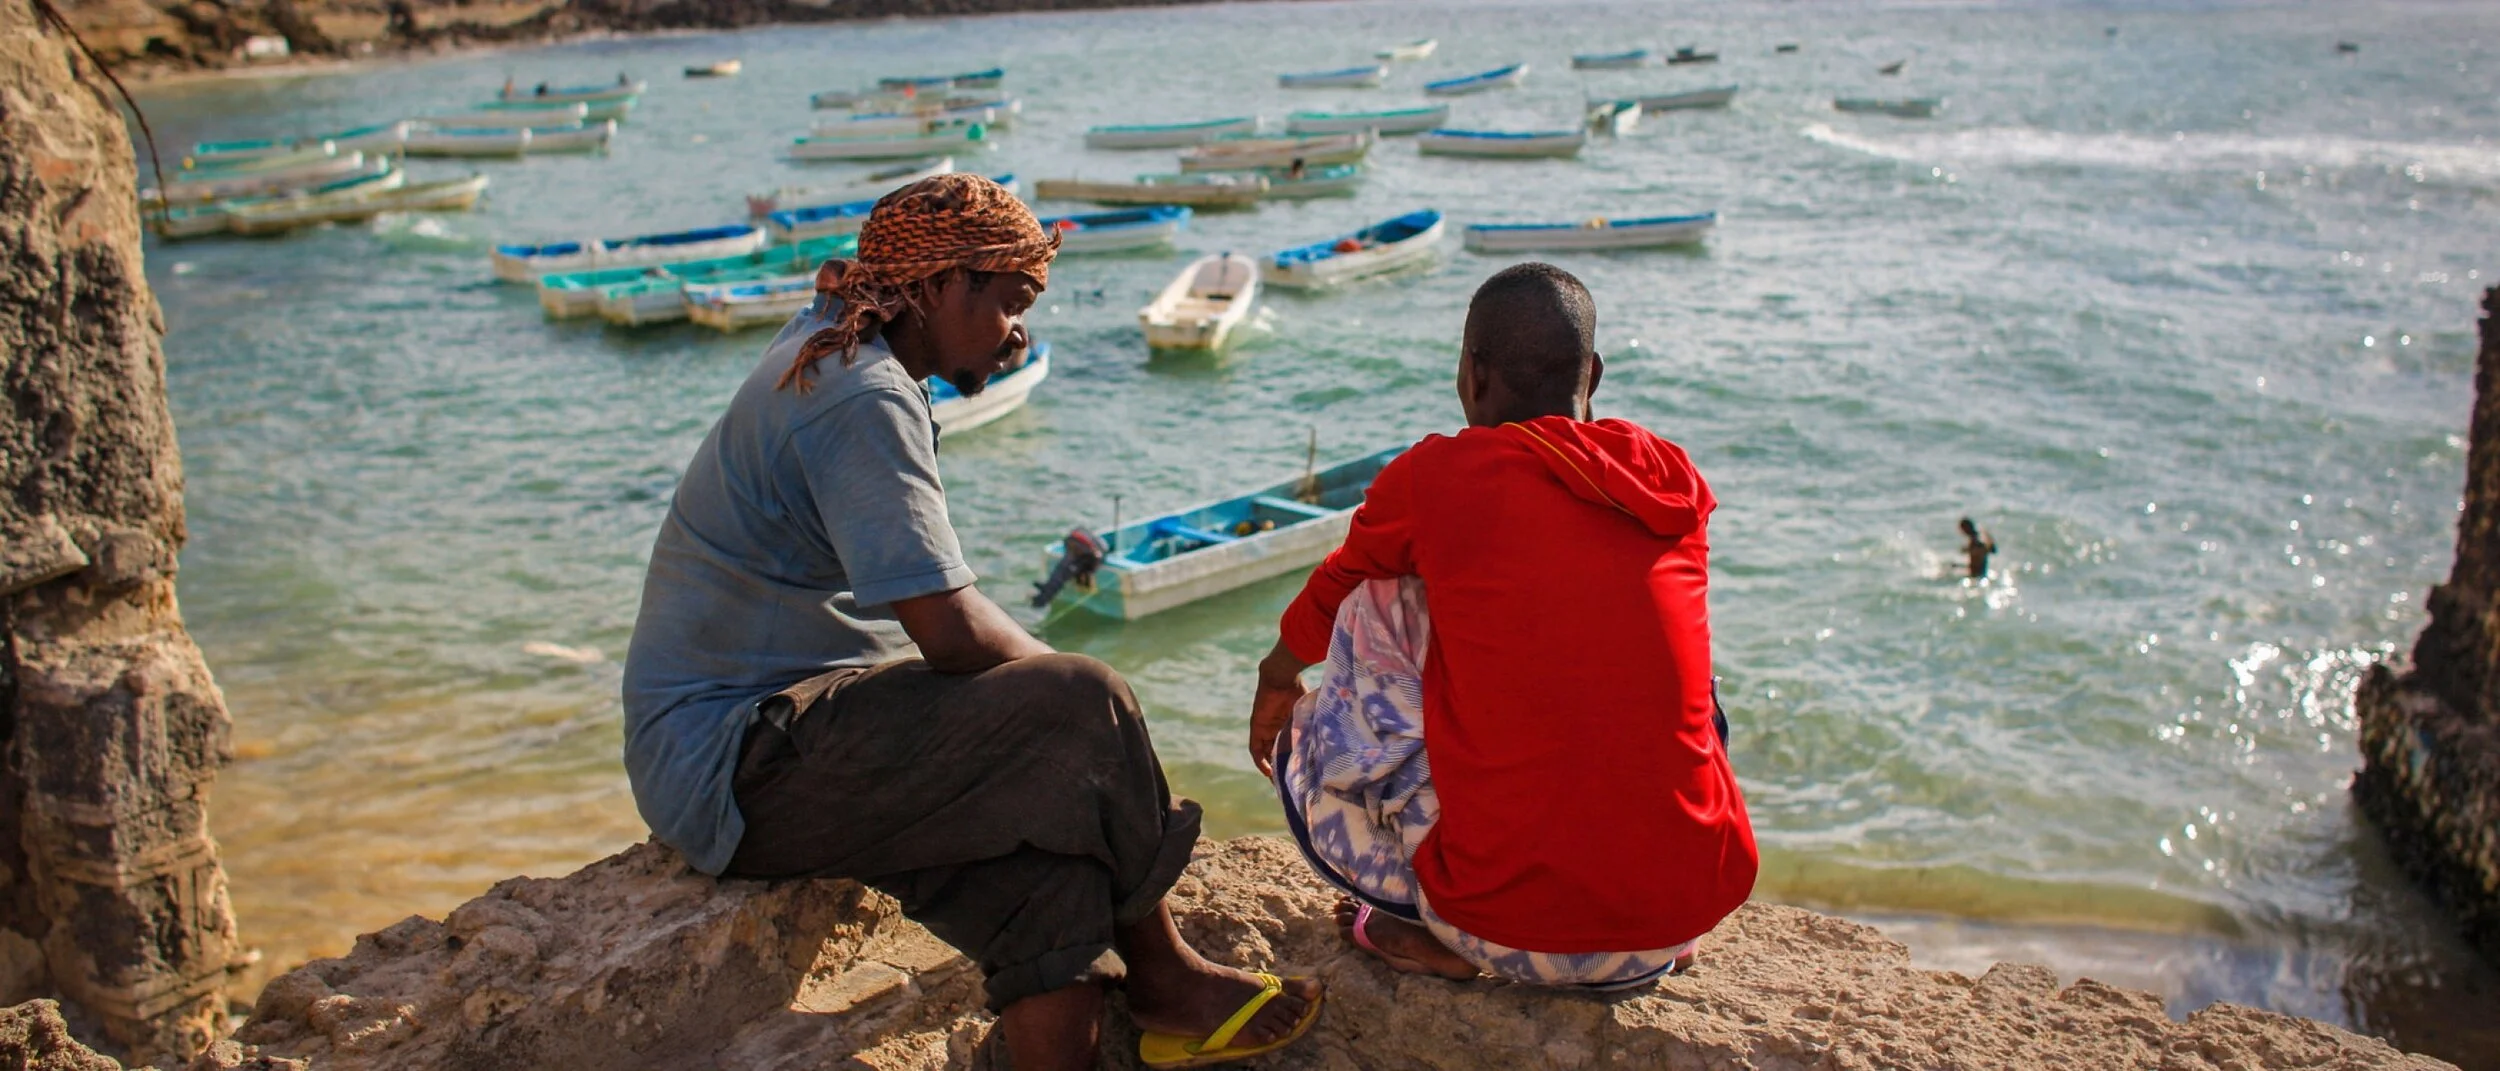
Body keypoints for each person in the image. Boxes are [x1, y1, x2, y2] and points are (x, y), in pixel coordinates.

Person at [623, 174, 1321, 1071]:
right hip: (736, 755)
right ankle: (1166, 975)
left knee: (1050, 873)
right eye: (1010, 301)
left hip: (778, 735)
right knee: (1084, 700)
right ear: (943, 285)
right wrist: (1075, 705)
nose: (1020, 332)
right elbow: (950, 633)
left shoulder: (846, 346)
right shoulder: (861, 392)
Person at [1247, 262, 1758, 987]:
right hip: (1682, 917)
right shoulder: (1670, 478)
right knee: (1672, 669)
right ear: (1595, 375)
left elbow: (1339, 584)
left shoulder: (1437, 479)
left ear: (1473, 373)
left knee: (1375, 596)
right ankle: (1640, 918)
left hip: (1503, 931)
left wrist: (1275, 677)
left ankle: (1436, 932)